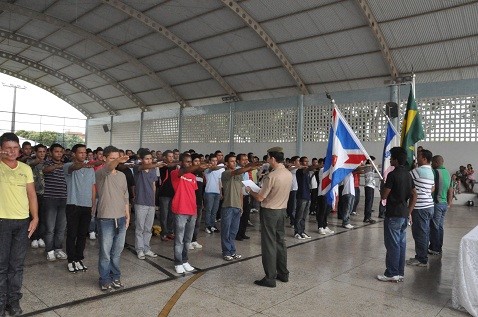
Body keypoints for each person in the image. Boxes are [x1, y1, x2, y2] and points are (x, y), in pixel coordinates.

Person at [0, 133, 38, 316]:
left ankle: (13, 301)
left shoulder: (25, 168)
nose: (12, 151)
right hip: (2, 222)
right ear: (1, 149)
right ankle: (0, 301)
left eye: (15, 148)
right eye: (7, 148)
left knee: (17, 265)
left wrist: (35, 217)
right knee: (1, 265)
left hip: (22, 222)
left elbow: (31, 195)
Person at [247, 147, 292, 288]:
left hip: (270, 211)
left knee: (268, 244)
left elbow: (260, 197)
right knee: (280, 242)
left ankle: (270, 277)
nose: (267, 160)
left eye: (268, 157)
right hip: (282, 210)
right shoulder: (287, 173)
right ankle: (283, 273)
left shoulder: (272, 176)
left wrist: (250, 191)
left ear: (272, 158)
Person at [377, 147, 416, 282]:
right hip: (404, 213)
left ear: (396, 160)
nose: (389, 159)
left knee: (392, 244)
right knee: (400, 244)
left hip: (393, 214)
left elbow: (384, 195)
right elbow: (414, 194)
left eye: (391, 157)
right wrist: (409, 211)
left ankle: (391, 273)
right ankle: (399, 272)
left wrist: (382, 185)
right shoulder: (408, 174)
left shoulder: (393, 175)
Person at [95, 146, 130, 291]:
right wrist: (117, 161)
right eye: (112, 158)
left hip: (120, 218)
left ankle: (115, 276)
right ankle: (104, 279)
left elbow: (125, 196)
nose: (115, 161)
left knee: (117, 252)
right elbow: (109, 167)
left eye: (117, 158)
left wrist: (127, 214)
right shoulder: (102, 173)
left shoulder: (122, 176)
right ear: (104, 158)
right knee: (105, 252)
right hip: (106, 219)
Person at [170, 153, 208, 274]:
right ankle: (178, 262)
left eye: (190, 162)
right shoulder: (176, 173)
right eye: (186, 162)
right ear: (181, 163)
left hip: (192, 211)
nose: (189, 164)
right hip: (180, 210)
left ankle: (185, 260)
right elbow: (184, 171)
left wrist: (197, 209)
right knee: (179, 239)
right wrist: (197, 167)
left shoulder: (192, 177)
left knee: (187, 239)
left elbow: (194, 194)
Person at [63, 144, 96, 273]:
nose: (83, 155)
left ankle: (78, 258)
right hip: (73, 204)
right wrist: (87, 164)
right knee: (72, 234)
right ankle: (71, 260)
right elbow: (74, 167)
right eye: (80, 152)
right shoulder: (68, 166)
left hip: (86, 205)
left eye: (84, 153)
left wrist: (93, 204)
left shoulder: (90, 169)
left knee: (82, 234)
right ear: (74, 154)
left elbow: (93, 187)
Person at [220, 154, 259, 260]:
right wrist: (249, 167)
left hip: (237, 206)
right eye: (231, 161)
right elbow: (235, 172)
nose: (233, 163)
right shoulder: (225, 173)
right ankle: (226, 252)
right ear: (227, 164)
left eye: (234, 161)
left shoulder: (240, 175)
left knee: (233, 231)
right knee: (226, 231)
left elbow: (241, 192)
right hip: (228, 206)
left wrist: (241, 206)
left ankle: (232, 251)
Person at [133, 149, 165, 259]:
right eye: (147, 159)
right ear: (141, 160)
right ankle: (140, 249)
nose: (149, 160)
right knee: (140, 228)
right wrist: (155, 164)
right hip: (140, 202)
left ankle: (146, 248)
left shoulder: (152, 170)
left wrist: (153, 201)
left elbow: (153, 185)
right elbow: (143, 167)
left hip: (150, 203)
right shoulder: (137, 168)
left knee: (148, 228)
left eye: (151, 159)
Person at [407, 149, 435, 267]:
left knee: (419, 233)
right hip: (429, 205)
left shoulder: (417, 171)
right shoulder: (431, 172)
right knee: (425, 232)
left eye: (418, 156)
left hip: (420, 207)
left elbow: (406, 180)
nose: (416, 158)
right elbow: (432, 187)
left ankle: (421, 259)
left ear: (424, 158)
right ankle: (421, 256)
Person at [42, 143, 68, 261]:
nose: (59, 154)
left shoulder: (66, 165)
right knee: (50, 227)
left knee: (61, 227)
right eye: (56, 151)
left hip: (63, 199)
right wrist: (58, 166)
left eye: (61, 152)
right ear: (51, 152)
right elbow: (45, 170)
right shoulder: (47, 163)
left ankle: (58, 248)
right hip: (50, 200)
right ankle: (49, 250)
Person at [428, 155, 453, 255]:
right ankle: (439, 246)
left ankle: (435, 248)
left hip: (437, 203)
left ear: (436, 163)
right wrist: (449, 202)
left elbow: (431, 187)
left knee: (434, 226)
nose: (431, 164)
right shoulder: (447, 173)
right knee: (440, 226)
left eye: (432, 163)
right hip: (444, 204)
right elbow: (451, 189)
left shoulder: (435, 172)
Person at [363, 156, 377, 224]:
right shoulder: (367, 167)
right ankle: (367, 217)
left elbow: (377, 166)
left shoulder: (371, 168)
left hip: (372, 186)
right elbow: (365, 165)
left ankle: (368, 216)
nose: (374, 162)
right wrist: (371, 164)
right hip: (368, 186)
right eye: (373, 161)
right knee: (368, 202)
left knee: (370, 202)